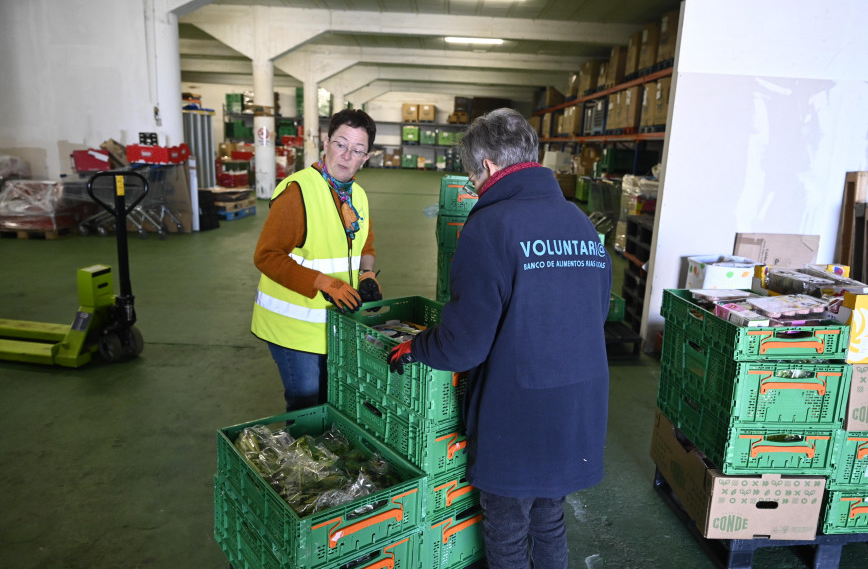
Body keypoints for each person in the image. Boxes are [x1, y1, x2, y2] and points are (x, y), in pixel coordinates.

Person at [388, 108, 612, 569]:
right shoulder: (580, 223)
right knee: (549, 520)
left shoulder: (489, 227)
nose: (472, 186)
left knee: (507, 531)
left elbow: (464, 345)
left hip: (520, 414)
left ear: (488, 166)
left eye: (471, 175)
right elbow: (596, 311)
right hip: (578, 405)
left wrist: (417, 346)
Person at [252, 108, 382, 412]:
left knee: (330, 399)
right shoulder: (299, 192)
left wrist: (367, 274)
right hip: (292, 327)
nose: (346, 156)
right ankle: (299, 459)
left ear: (366, 157)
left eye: (357, 150)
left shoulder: (357, 196)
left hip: (334, 323)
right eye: (340, 144)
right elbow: (267, 256)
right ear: (325, 143)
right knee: (307, 402)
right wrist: (322, 282)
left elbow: (367, 244)